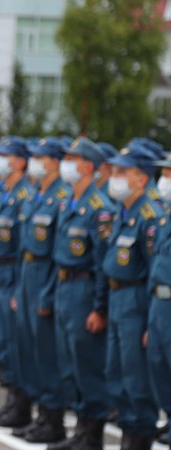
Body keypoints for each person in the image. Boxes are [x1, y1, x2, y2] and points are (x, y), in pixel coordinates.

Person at [48, 138, 115, 450]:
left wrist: (100, 307)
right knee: (68, 363)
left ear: (88, 166)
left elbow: (103, 264)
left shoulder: (100, 209)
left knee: (87, 365)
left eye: (73, 159)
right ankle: (80, 431)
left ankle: (93, 434)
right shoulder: (67, 202)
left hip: (85, 290)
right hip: (64, 286)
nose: (67, 164)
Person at [102, 144, 161, 450]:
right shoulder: (122, 210)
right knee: (117, 374)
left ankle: (139, 439)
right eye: (113, 171)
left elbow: (156, 272)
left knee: (137, 379)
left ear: (141, 179)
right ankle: (128, 434)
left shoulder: (149, 216)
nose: (114, 177)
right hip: (117, 298)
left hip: (136, 301)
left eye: (122, 172)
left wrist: (152, 322)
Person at [13, 139, 71, 443]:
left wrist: (47, 293)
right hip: (27, 273)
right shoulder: (38, 194)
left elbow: (56, 254)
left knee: (47, 353)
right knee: (29, 348)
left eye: (41, 157)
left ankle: (53, 418)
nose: (34, 161)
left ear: (54, 162)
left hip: (46, 277)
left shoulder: (61, 197)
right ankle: (39, 415)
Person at [0, 137, 33, 427]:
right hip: (0, 272)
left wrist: (18, 286)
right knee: (5, 341)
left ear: (20, 161)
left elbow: (22, 247)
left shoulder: (25, 195)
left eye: (6, 155)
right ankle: (13, 402)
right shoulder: (7, 192)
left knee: (17, 343)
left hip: (16, 274)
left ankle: (21, 405)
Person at [148, 153, 171, 447]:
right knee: (158, 363)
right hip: (159, 301)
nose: (164, 180)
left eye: (168, 173)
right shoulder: (164, 216)